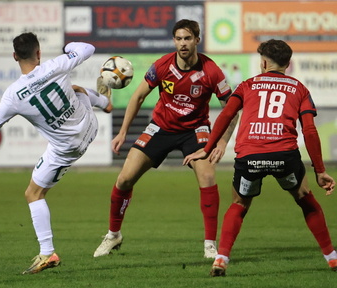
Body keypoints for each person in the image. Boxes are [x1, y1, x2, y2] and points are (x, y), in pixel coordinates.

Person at [183, 39, 337, 276]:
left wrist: (208, 146)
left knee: (239, 204)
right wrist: (319, 171)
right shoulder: (299, 89)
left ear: (263, 62)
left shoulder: (247, 85)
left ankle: (221, 259)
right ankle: (332, 258)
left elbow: (226, 114)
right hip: (285, 156)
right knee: (305, 199)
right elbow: (309, 131)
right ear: (288, 63)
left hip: (250, 157)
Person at [93, 19, 238, 259]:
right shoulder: (161, 65)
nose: (183, 43)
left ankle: (210, 244)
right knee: (124, 178)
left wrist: (222, 141)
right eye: (179, 38)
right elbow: (138, 96)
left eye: (188, 38)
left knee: (208, 175)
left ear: (197, 40)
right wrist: (122, 132)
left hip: (195, 129)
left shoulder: (211, 71)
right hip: (161, 127)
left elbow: (231, 107)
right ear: (174, 41)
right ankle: (113, 234)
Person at [0, 32, 112, 274]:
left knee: (33, 193)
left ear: (14, 56)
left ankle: (47, 253)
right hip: (91, 127)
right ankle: (104, 101)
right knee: (77, 89)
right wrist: (67, 47)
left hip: (68, 148)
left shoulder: (12, 96)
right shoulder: (56, 65)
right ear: (38, 53)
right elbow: (88, 48)